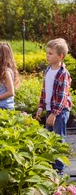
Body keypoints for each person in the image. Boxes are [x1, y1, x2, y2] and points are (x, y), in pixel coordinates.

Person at [36, 38, 72, 175]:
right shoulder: (48, 70)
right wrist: (41, 107)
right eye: (47, 53)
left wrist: (54, 113)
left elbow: (62, 96)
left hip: (60, 111)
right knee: (48, 139)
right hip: (51, 109)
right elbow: (44, 91)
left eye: (50, 53)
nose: (47, 56)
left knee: (58, 139)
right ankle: (50, 168)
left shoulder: (63, 74)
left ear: (60, 56)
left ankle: (59, 170)